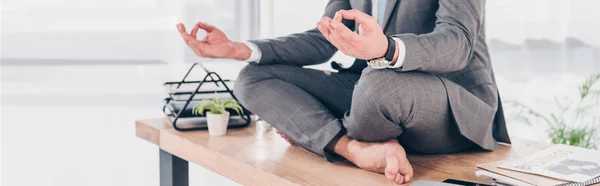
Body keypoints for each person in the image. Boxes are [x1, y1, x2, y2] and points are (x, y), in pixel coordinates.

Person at [177, 0, 511, 184]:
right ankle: (354, 148)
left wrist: (388, 48)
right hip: (375, 91)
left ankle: (328, 129)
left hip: (450, 99)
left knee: (377, 85)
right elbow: (323, 39)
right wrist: (237, 49)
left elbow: (457, 43)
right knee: (251, 78)